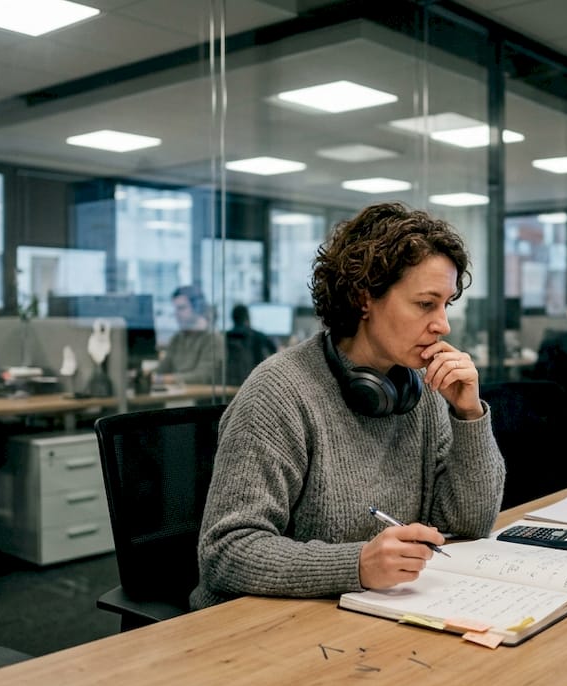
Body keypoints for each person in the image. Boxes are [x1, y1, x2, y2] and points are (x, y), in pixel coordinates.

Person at [192, 202, 506, 610]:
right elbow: (225, 552)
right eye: (425, 304)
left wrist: (469, 415)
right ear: (364, 299)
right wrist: (355, 565)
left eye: (447, 304)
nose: (443, 325)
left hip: (370, 612)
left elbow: (469, 524)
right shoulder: (279, 392)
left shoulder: (421, 387)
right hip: (258, 628)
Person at [156, 285, 223, 386]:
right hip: (177, 396)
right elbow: (162, 370)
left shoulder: (213, 338)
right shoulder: (178, 338)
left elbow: (203, 376)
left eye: (181, 308)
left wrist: (160, 380)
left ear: (197, 308)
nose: (176, 313)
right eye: (175, 309)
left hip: (199, 398)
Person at [223, 303, 277, 385]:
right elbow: (274, 351)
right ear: (248, 318)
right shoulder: (258, 335)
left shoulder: (226, 336)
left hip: (229, 382)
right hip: (253, 381)